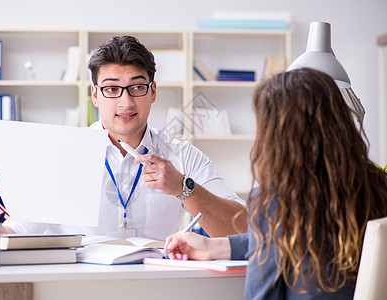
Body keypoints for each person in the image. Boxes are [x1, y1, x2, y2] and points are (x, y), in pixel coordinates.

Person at [164, 68, 387, 299]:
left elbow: (262, 293)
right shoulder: (378, 186)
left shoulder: (277, 202)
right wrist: (215, 247)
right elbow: (293, 239)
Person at [2, 35, 248, 240]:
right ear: (95, 96)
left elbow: (242, 229)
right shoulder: (62, 155)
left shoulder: (182, 156)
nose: (126, 102)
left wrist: (184, 188)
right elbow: (16, 232)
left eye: (137, 87)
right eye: (111, 89)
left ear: (152, 92)